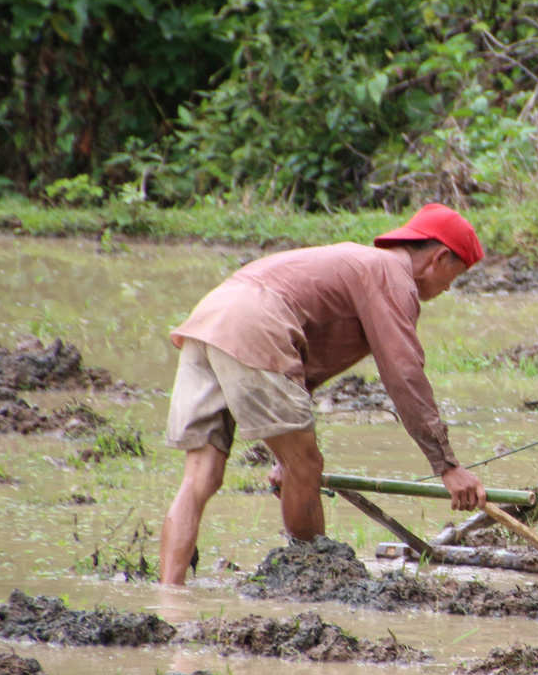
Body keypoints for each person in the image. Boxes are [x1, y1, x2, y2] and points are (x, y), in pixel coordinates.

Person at [158, 203, 487, 585]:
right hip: (255, 323)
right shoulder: (392, 277)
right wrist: (447, 465)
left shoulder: (355, 263)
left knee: (200, 478)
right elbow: (404, 375)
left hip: (209, 320)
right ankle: (312, 583)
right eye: (455, 275)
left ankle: (169, 597)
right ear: (440, 257)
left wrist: (283, 451)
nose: (448, 288)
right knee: (306, 467)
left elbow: (296, 365)